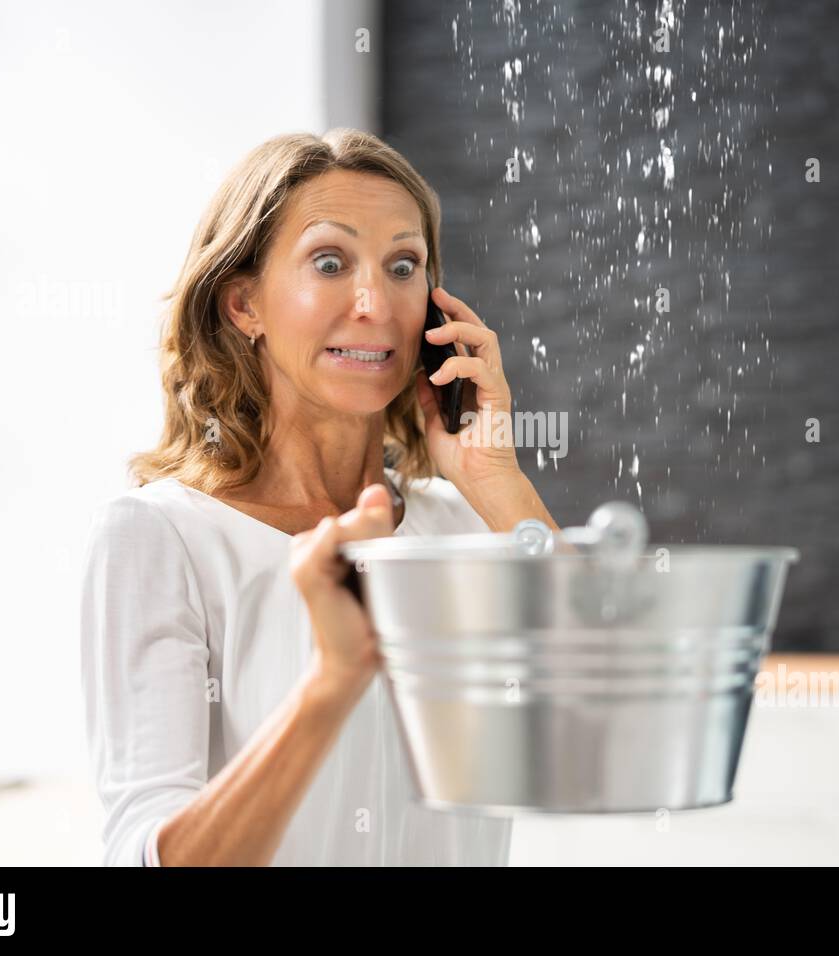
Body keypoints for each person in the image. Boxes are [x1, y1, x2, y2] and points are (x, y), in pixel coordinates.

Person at [79, 129, 558, 866]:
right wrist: (332, 681)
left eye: (404, 266)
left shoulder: (471, 525)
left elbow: (606, 722)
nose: (374, 303)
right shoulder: (162, 539)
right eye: (329, 262)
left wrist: (499, 483)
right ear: (244, 304)